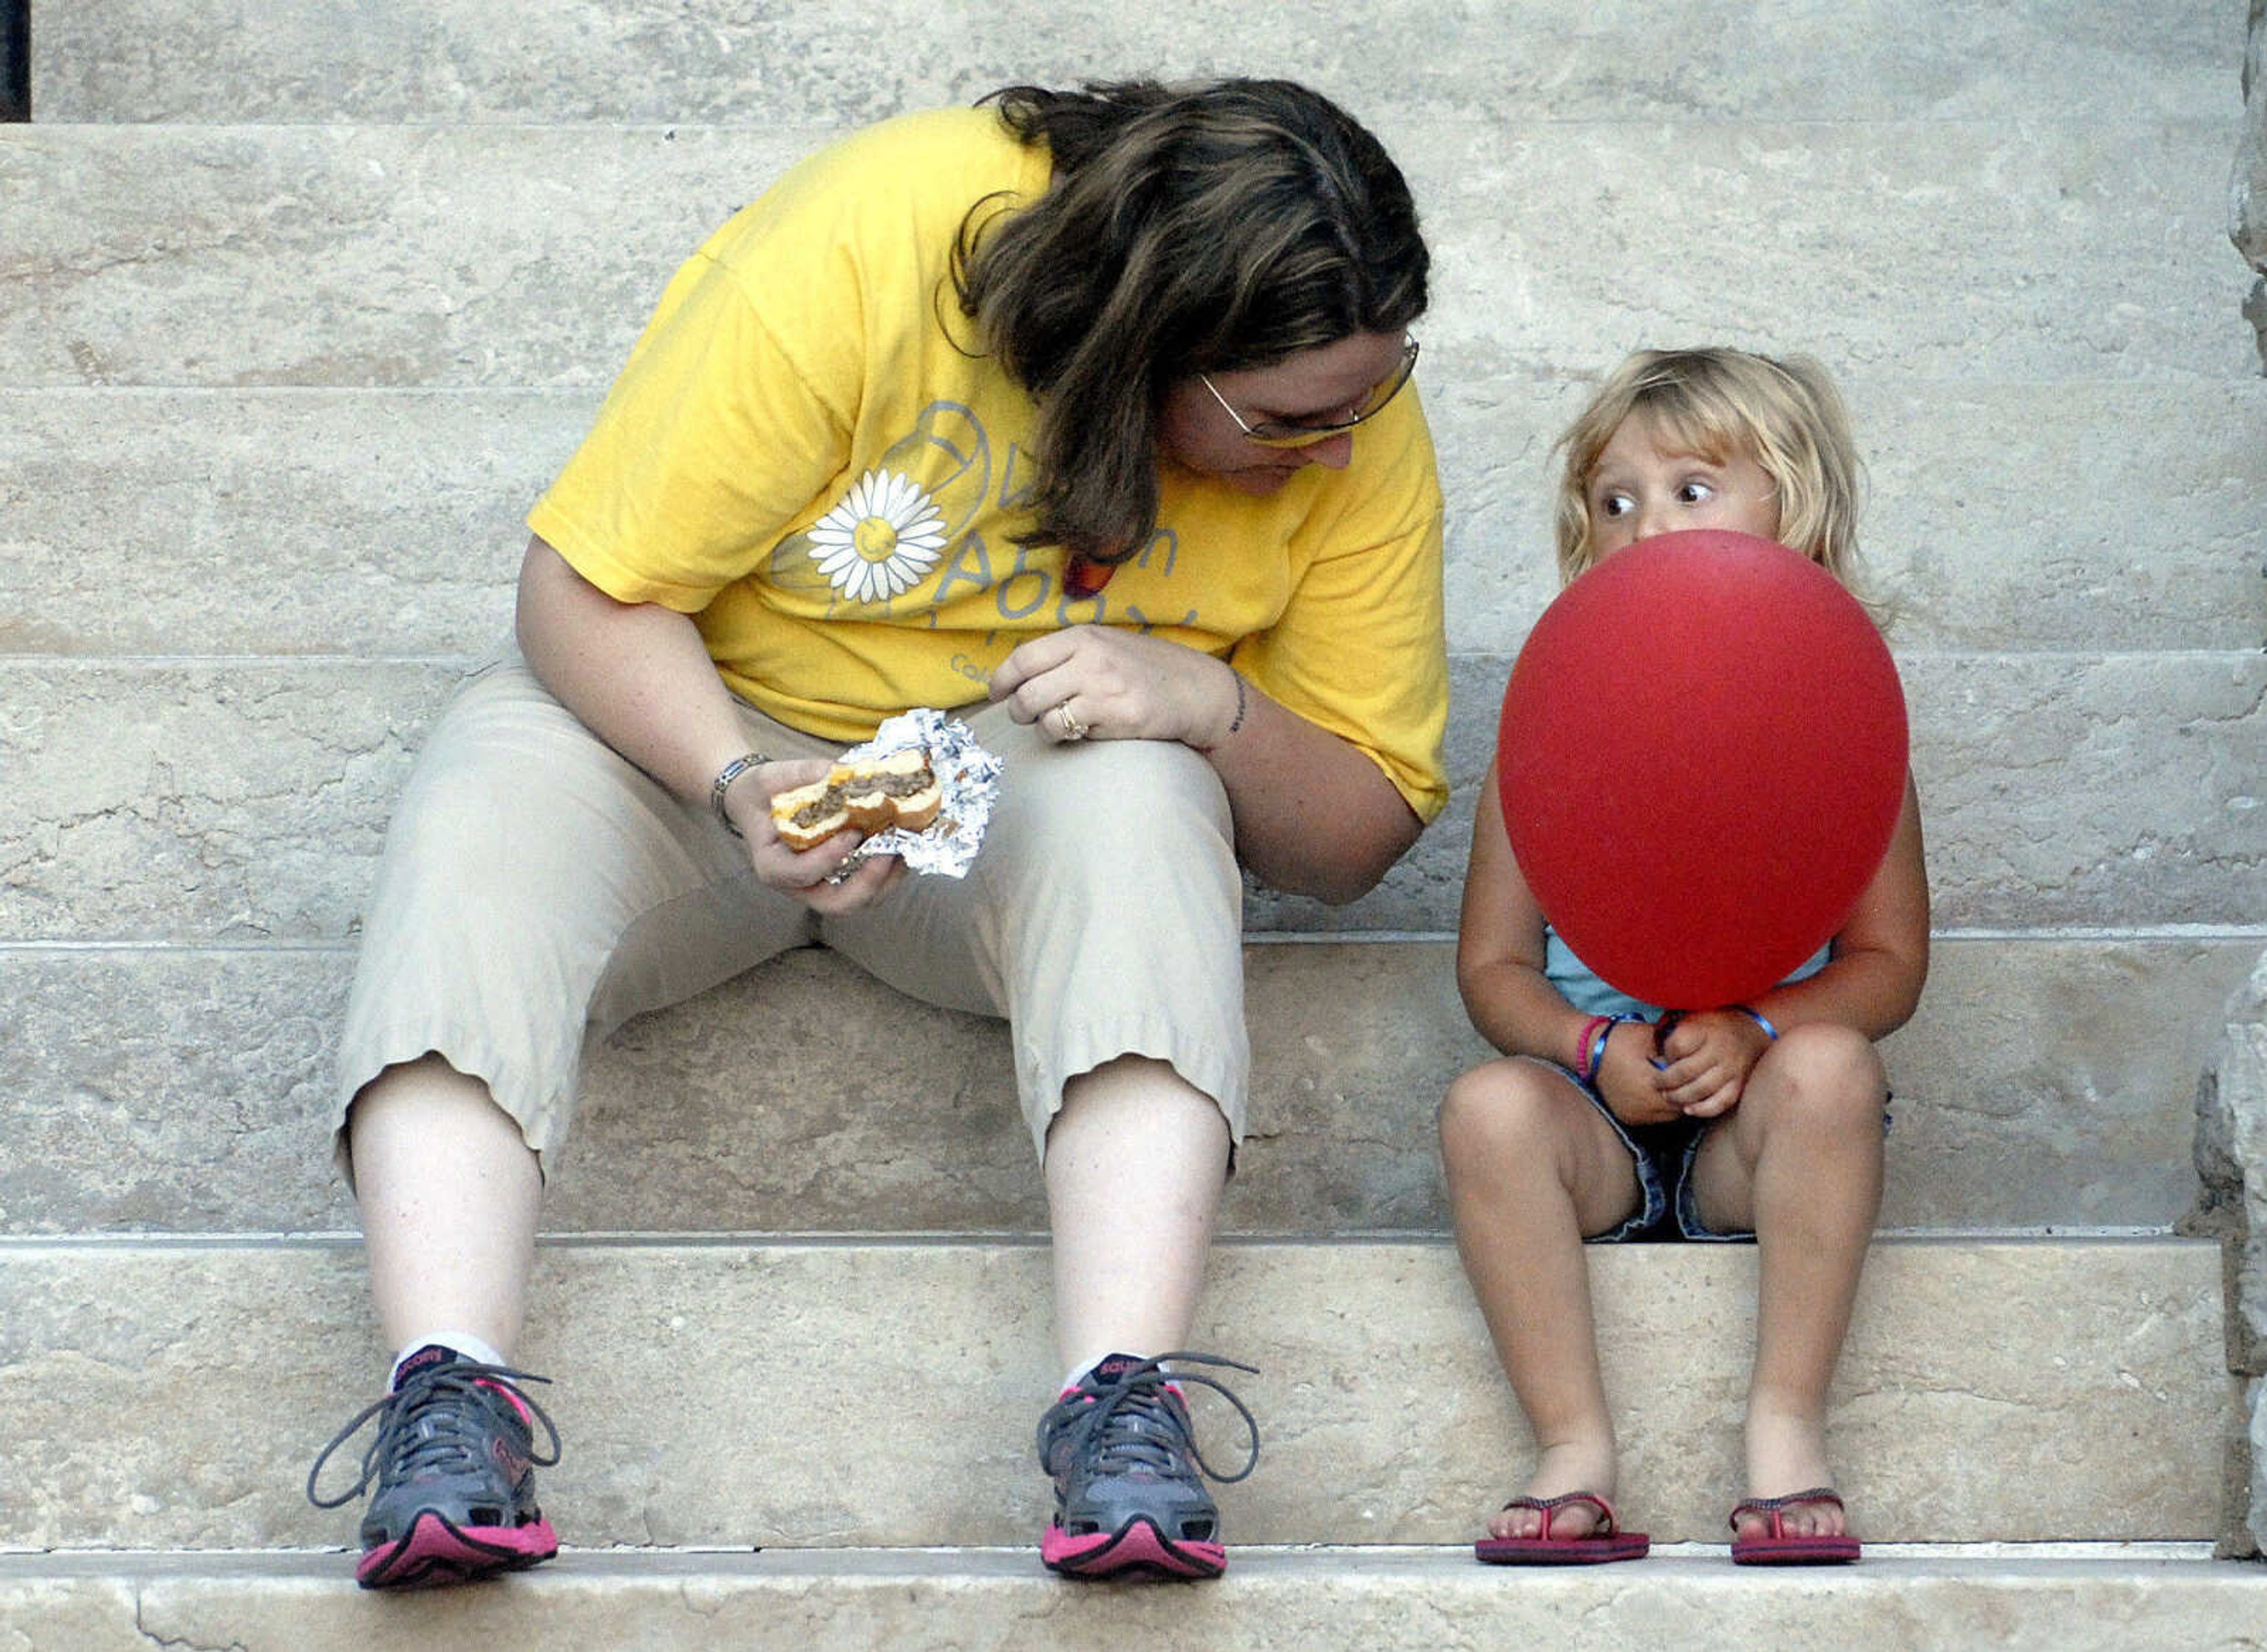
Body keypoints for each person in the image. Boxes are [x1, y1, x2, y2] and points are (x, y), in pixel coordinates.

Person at [302, 78, 1448, 1589]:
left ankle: (1123, 1406)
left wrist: (1209, 703)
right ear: (1137, 347)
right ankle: (446, 1397)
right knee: (478, 798)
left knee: (1152, 789)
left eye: (1376, 393)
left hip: (1012, 780)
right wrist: (726, 776)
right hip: (700, 731)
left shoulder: (1336, 390)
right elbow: (583, 591)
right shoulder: (864, 241)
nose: (1346, 446)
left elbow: (1361, 828)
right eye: (1292, 419)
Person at [1439, 347, 1928, 1566]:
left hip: (1751, 1141)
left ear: (1796, 512)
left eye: (1692, 489)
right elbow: (1493, 969)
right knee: (1483, 1108)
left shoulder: (1844, 721)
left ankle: (1787, 1434)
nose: (1648, 521)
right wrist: (1585, 1045)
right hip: (1593, 1129)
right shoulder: (1546, 730)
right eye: (1615, 500)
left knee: (1837, 1071)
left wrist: (1762, 1027)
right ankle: (1573, 1451)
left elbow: (1890, 962)